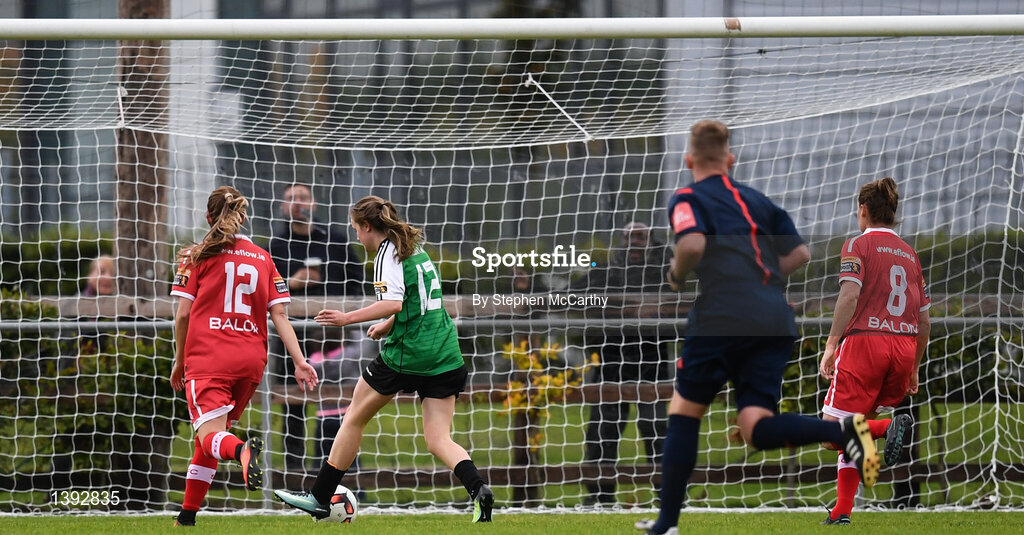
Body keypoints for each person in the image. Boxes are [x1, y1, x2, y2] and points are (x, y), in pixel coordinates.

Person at [637, 120, 879, 535]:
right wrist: (762, 280)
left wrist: (677, 275)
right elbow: (801, 252)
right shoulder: (756, 200)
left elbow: (691, 244)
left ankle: (667, 524)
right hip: (774, 317)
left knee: (684, 411)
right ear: (729, 160)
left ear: (688, 159)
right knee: (755, 426)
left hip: (720, 317)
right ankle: (844, 431)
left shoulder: (687, 197)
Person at [274, 195, 494, 522]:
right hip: (445, 353)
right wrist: (386, 326)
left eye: (356, 230)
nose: (356, 237)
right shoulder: (412, 248)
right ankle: (479, 490)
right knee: (438, 438)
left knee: (353, 419)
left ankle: (319, 497)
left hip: (408, 354)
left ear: (366, 227)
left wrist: (348, 318)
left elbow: (392, 302)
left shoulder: (384, 254)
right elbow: (414, 302)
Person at [168, 186, 318, 527]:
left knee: (212, 436)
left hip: (209, 358)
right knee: (209, 438)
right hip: (251, 361)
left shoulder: (196, 256)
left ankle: (241, 451)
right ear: (243, 217)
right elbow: (280, 315)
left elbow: (181, 316)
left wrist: (179, 361)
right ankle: (187, 517)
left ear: (208, 217)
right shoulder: (263, 257)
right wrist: (299, 361)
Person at [818, 177, 930, 525]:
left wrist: (832, 344)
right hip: (904, 347)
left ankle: (887, 429)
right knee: (855, 424)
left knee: (829, 432)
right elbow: (925, 321)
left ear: (863, 210)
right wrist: (913, 369)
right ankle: (841, 513)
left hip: (866, 343)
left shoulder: (858, 245)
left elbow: (849, 295)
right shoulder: (910, 255)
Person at [572, 221, 671, 504]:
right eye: (628, 237)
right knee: (603, 431)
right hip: (610, 364)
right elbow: (568, 294)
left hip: (651, 365)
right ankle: (600, 498)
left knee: (657, 430)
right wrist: (529, 287)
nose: (634, 242)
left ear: (651, 241)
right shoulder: (604, 272)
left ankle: (668, 496)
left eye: (640, 237)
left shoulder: (665, 273)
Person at [268, 182, 364, 471]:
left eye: (303, 197)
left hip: (334, 340)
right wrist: (294, 283)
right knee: (292, 407)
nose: (297, 203)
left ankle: (341, 472)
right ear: (284, 207)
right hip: (291, 339)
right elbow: (264, 291)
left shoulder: (335, 241)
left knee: (340, 406)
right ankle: (294, 475)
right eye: (291, 199)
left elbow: (358, 281)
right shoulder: (274, 247)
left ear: (314, 203)